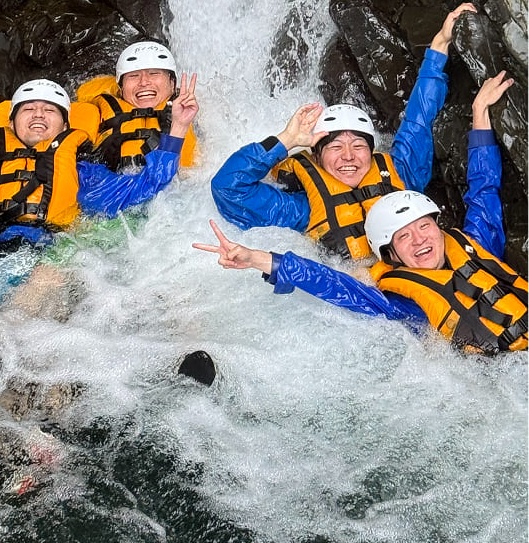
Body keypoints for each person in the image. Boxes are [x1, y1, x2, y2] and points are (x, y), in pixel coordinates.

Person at [195, 73, 527, 355]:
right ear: (391, 254)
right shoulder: (401, 304)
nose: (419, 241)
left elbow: (483, 188)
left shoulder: (477, 242)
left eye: (424, 227)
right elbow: (332, 283)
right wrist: (258, 259)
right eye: (403, 237)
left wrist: (480, 112)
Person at [211, 4, 476, 260]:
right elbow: (227, 188)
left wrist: (440, 44)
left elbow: (419, 117)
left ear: (372, 153)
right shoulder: (300, 210)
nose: (348, 156)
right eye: (336, 147)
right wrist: (286, 140)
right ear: (317, 157)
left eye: (358, 146)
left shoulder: (401, 174)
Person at [0, 31, 198, 242]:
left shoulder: (82, 176)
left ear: (65, 127)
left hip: (43, 253)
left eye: (49, 111)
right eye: (29, 110)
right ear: (10, 123)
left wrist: (178, 130)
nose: (38, 114)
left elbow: (144, 186)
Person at [75, 40, 198, 171]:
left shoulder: (191, 113)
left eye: (154, 73)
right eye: (133, 76)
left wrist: (179, 126)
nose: (144, 82)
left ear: (172, 83)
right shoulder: (96, 112)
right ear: (121, 88)